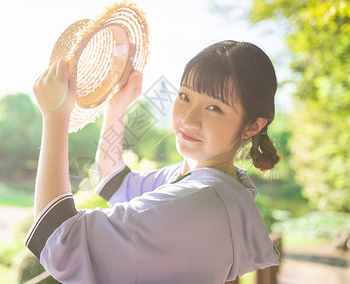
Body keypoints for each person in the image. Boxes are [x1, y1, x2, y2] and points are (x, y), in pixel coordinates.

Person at [25, 40, 282, 284]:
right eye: (185, 96)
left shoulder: (198, 201)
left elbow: (57, 238)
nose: (188, 120)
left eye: (214, 108)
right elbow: (112, 182)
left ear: (251, 126)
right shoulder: (213, 183)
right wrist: (118, 104)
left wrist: (56, 116)